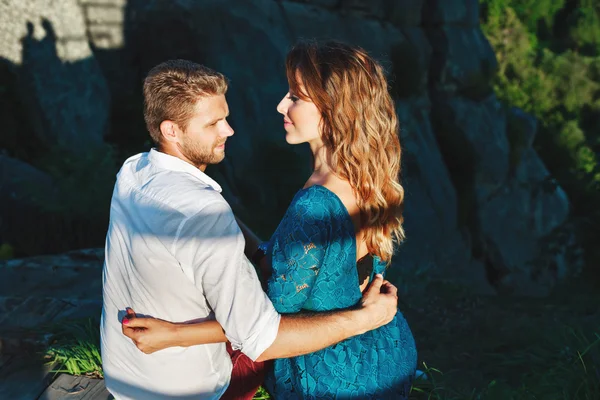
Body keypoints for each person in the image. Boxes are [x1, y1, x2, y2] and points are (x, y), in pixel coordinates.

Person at [122, 41, 418, 399]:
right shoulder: (368, 176)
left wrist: (172, 334)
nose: (281, 104)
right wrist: (218, 213)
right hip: (386, 350)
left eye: (295, 96)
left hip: (333, 376)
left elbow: (264, 324)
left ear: (334, 109)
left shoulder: (316, 204)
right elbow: (313, 267)